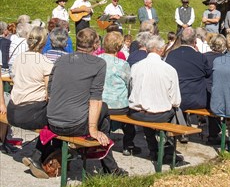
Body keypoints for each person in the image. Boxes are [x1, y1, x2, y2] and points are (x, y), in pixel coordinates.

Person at [47, 28, 127, 177]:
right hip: (74, 124)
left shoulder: (61, 59)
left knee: (99, 113)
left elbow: (50, 93)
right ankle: (109, 166)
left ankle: (66, 154)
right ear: (96, 45)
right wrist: (93, 130)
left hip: (52, 121)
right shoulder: (98, 63)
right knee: (103, 112)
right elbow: (95, 99)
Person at [7, 27, 55, 178]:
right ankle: (38, 155)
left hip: (12, 111)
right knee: (59, 119)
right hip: (31, 114)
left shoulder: (19, 58)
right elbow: (50, 93)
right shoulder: (46, 63)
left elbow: (14, 80)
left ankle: (44, 154)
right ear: (44, 42)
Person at [129, 35, 183, 163]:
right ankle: (168, 151)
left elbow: (132, 90)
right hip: (160, 115)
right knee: (175, 112)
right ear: (161, 49)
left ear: (147, 49)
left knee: (148, 107)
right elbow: (176, 101)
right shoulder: (169, 69)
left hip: (137, 114)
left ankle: (153, 149)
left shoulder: (136, 67)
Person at [98, 32, 140, 157]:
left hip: (99, 103)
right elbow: (129, 84)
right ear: (119, 46)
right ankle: (128, 145)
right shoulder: (123, 64)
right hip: (118, 106)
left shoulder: (97, 60)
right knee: (130, 118)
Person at [204, 34, 227, 145]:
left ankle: (214, 134)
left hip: (204, 91)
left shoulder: (203, 56)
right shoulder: (225, 59)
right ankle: (214, 135)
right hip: (217, 92)